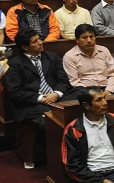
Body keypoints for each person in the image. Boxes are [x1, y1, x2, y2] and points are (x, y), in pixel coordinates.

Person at [5, 29, 76, 169]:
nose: (40, 43)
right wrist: (40, 98)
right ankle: (66, 154)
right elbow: (15, 92)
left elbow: (64, 80)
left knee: (83, 94)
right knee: (48, 114)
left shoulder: (51, 57)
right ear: (25, 47)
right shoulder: (15, 64)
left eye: (39, 39)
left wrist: (56, 93)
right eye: (35, 41)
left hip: (56, 97)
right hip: (32, 103)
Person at [62, 24, 114, 94]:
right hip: (85, 92)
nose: (89, 40)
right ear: (77, 40)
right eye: (84, 37)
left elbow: (113, 73)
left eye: (91, 37)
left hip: (107, 88)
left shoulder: (104, 50)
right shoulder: (70, 56)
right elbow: (74, 81)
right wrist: (92, 94)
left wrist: (108, 90)